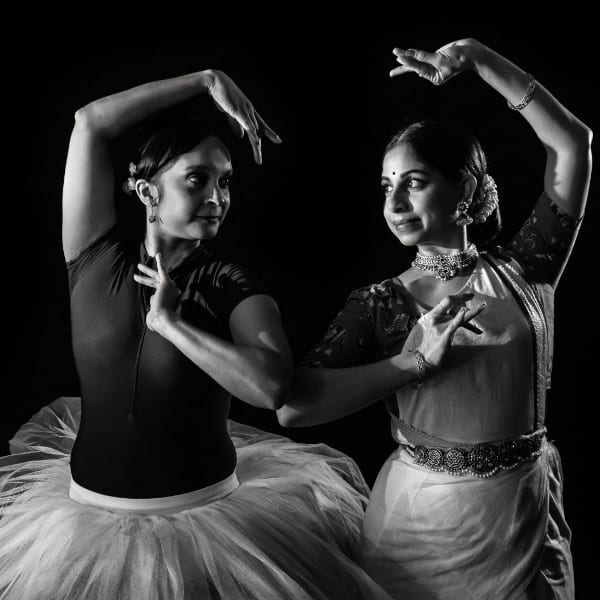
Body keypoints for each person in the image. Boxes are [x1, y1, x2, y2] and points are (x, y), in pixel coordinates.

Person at [0, 68, 392, 599]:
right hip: (80, 522)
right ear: (146, 191)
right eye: (197, 179)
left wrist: (173, 325)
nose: (217, 196)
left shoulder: (232, 285)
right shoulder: (92, 254)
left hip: (205, 525)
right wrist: (206, 81)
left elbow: (271, 390)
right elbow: (89, 122)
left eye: (225, 181)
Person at [278, 38, 591, 599]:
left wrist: (475, 58)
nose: (394, 203)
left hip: (528, 514)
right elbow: (297, 406)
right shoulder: (381, 302)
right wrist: (412, 363)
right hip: (421, 529)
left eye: (413, 182)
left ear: (465, 191)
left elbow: (572, 143)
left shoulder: (529, 266)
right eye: (385, 187)